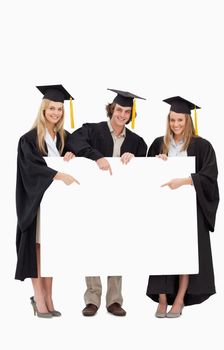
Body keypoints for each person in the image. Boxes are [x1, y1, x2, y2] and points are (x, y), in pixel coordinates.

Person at [66, 88, 147, 316]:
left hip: (121, 205)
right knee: (91, 244)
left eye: (126, 111)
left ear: (131, 115)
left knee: (117, 245)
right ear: (112, 109)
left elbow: (145, 171)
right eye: (119, 109)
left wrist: (135, 159)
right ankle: (92, 298)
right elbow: (74, 141)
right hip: (91, 202)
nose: (122, 114)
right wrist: (96, 156)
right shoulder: (92, 130)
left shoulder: (137, 142)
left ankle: (114, 300)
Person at [146, 96, 219, 318]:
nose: (176, 125)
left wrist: (186, 180)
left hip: (190, 209)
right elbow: (146, 174)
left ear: (188, 121)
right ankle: (162, 297)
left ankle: (179, 299)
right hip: (163, 210)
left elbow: (209, 177)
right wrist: (156, 163)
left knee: (186, 251)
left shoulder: (202, 145)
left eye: (180, 120)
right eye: (172, 120)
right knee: (162, 251)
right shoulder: (159, 143)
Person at [15, 84, 79, 318]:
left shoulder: (64, 138)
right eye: (52, 108)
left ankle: (50, 296)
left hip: (58, 205)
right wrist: (58, 174)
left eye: (60, 109)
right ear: (43, 110)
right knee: (38, 249)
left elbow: (80, 153)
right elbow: (31, 168)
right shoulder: (29, 139)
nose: (56, 113)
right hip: (37, 204)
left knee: (54, 249)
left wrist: (72, 154)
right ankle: (38, 297)